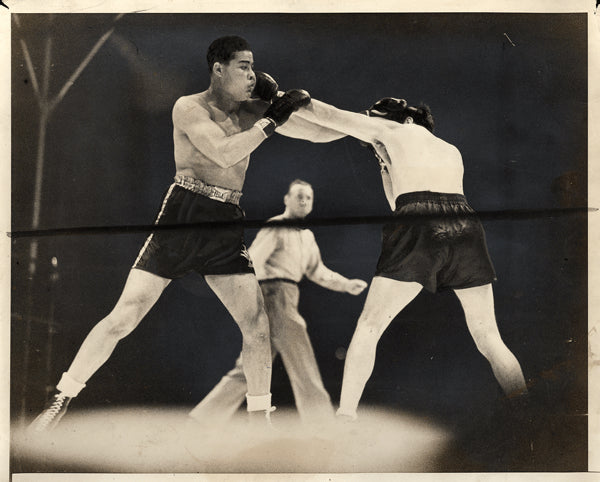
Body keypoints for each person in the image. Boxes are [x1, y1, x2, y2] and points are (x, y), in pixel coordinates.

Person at [28, 35, 313, 433]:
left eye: (253, 67)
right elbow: (223, 152)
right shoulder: (189, 107)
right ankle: (60, 399)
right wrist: (273, 118)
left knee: (257, 325)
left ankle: (259, 422)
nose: (251, 74)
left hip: (226, 221)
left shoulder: (252, 113)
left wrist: (303, 107)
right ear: (218, 69)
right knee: (124, 317)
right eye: (243, 66)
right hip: (185, 213)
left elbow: (312, 132)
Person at [284, 96, 529, 420]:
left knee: (369, 325)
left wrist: (288, 99)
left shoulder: (395, 130)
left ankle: (344, 417)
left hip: (418, 219)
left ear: (404, 119)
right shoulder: (450, 150)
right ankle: (529, 414)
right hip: (465, 222)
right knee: (488, 336)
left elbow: (332, 117)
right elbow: (401, 203)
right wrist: (386, 167)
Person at [188, 179, 368, 426]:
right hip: (273, 295)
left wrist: (346, 285)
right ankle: (322, 423)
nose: (303, 201)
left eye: (308, 197)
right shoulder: (276, 226)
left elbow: (318, 271)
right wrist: (252, 299)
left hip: (287, 296)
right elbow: (254, 260)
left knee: (251, 367)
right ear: (287, 200)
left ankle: (202, 418)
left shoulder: (307, 237)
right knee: (302, 358)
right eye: (299, 196)